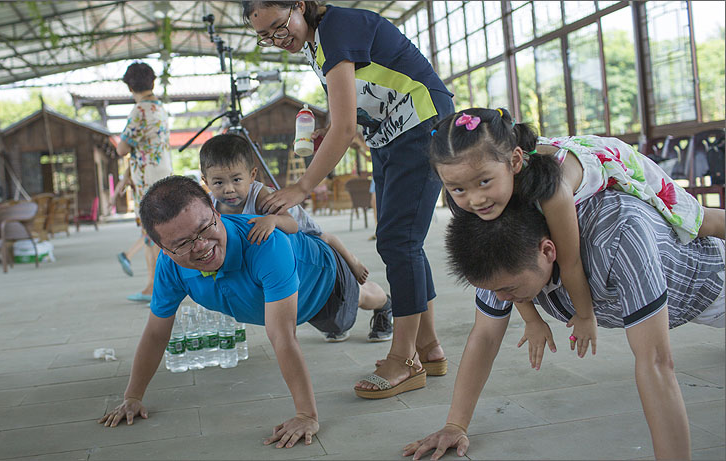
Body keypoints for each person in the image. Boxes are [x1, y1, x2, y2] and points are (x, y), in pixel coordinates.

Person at [404, 191, 725, 460]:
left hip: (710, 283)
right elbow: (486, 335)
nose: (504, 299)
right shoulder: (499, 247)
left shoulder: (617, 236)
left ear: (548, 250)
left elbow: (656, 361)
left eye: (510, 290)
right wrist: (455, 425)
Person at [243, 0, 454, 399]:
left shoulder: (337, 27)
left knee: (398, 242)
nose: (276, 39)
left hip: (419, 121)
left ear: (300, 6)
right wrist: (327, 129)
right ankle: (429, 348)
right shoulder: (315, 42)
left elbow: (344, 128)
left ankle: (404, 358)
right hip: (389, 133)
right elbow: (346, 115)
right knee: (402, 239)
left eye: (278, 25)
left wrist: (302, 187)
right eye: (265, 36)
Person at [98, 175, 395, 445]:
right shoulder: (170, 268)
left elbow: (282, 337)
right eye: (184, 243)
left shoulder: (266, 243)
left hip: (323, 281)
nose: (201, 246)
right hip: (284, 303)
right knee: (331, 326)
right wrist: (132, 397)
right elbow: (155, 333)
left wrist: (306, 415)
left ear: (216, 213)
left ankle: (386, 305)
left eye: (205, 228)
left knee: (360, 299)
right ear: (162, 249)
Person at [429, 107, 725, 363]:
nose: (475, 199)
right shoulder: (472, 196)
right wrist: (533, 320)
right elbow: (503, 269)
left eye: (484, 182)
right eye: (458, 189)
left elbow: (570, 264)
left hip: (606, 158)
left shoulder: (553, 192)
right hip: (537, 164)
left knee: (695, 221)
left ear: (515, 162)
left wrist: (585, 316)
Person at [198, 134, 391, 342]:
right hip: (289, 261)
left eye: (236, 179)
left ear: (252, 175)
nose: (228, 189)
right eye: (218, 182)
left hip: (310, 239)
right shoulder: (210, 206)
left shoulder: (261, 197)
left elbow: (291, 225)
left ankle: (380, 297)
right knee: (331, 318)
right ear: (205, 181)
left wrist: (272, 220)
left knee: (348, 280)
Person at [116, 62, 172, 303]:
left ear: (130, 86)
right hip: (163, 173)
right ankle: (155, 285)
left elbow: (121, 148)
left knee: (151, 233)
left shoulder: (139, 111)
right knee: (159, 230)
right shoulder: (160, 108)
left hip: (147, 178)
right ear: (152, 82)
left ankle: (156, 287)